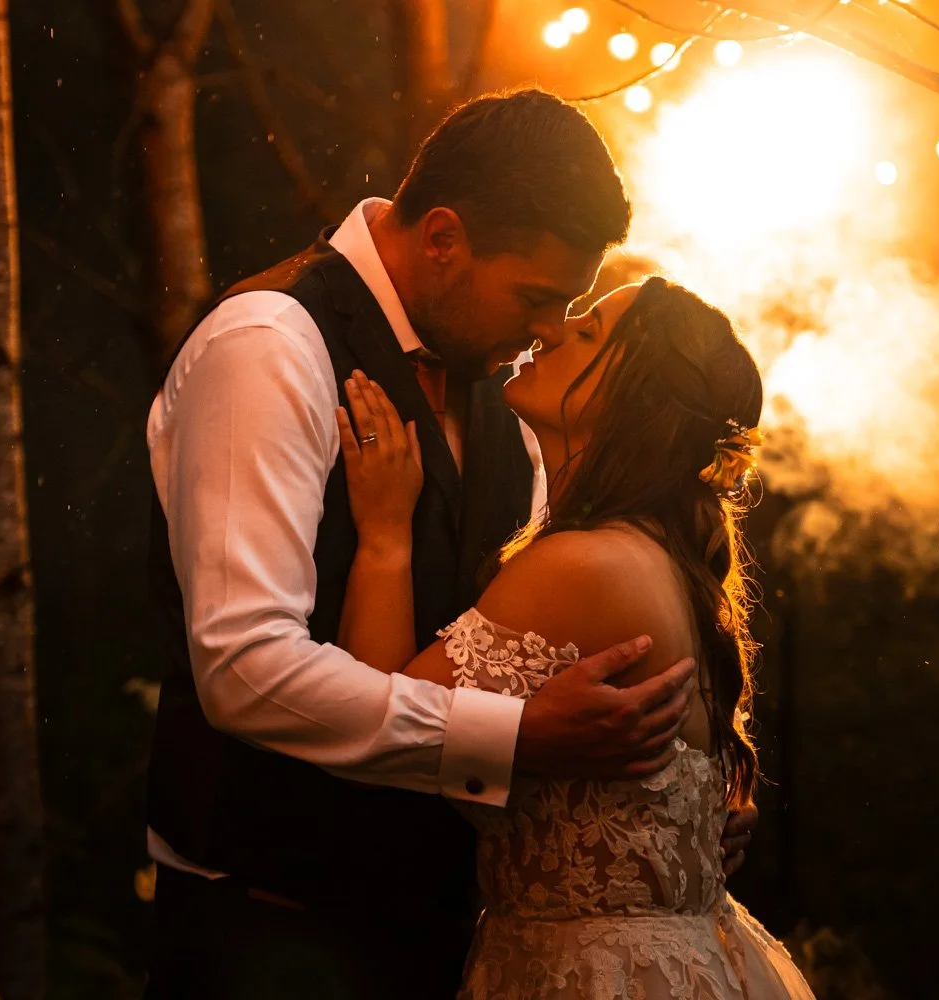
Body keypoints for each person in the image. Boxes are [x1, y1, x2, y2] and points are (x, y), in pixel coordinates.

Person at [142, 90, 757, 999]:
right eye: (538, 298)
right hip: (271, 932)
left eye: (570, 313)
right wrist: (516, 736)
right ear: (442, 239)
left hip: (451, 940)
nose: (547, 331)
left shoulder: (509, 401)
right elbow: (246, 668)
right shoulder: (270, 346)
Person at [333, 277, 815, 999]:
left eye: (588, 332)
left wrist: (383, 537)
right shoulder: (653, 555)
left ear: (632, 403)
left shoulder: (583, 566)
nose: (553, 329)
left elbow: (371, 723)